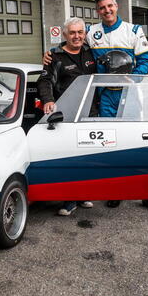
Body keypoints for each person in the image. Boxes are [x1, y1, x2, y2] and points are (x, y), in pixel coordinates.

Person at [43, 0, 148, 213]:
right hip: (103, 97)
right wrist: (51, 54)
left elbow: (147, 60)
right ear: (97, 11)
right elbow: (73, 43)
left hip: (130, 95)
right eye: (102, 8)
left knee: (138, 146)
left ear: (116, 6)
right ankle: (115, 191)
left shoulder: (134, 30)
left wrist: (134, 76)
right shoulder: (92, 32)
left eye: (110, 6)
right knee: (111, 146)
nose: (106, 11)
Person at [37, 17, 95, 216]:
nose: (77, 36)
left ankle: (84, 194)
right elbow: (44, 81)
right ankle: (70, 199)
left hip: (90, 113)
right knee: (71, 156)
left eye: (80, 32)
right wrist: (48, 100)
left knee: (88, 156)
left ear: (84, 34)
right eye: (72, 33)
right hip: (67, 114)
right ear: (65, 35)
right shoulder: (55, 56)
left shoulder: (91, 52)